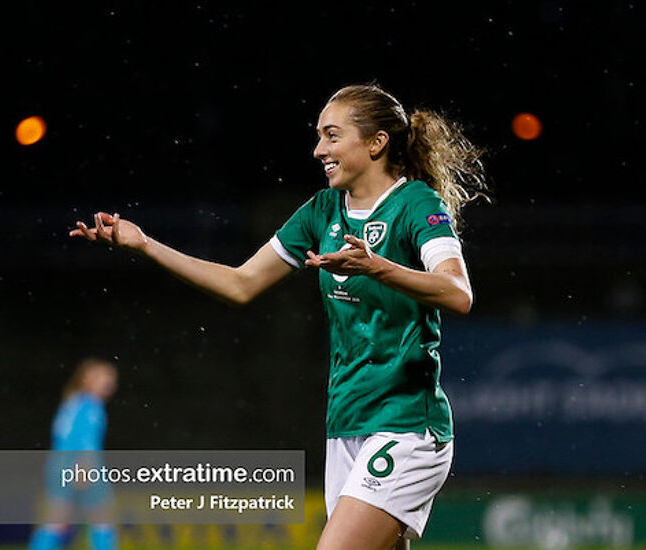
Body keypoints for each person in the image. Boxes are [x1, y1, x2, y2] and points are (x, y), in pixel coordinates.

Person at [70, 84, 486, 550]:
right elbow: (240, 283)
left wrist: (379, 268)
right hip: (347, 425)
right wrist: (145, 244)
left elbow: (458, 292)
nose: (319, 150)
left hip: (406, 426)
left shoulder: (417, 206)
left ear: (376, 143)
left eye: (332, 136)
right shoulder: (321, 211)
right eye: (318, 137)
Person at [28, 358, 119, 550]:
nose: (109, 381)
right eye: (103, 376)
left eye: (111, 377)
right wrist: (83, 468)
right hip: (81, 463)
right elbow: (82, 440)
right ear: (87, 379)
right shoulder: (89, 405)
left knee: (55, 522)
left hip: (61, 463)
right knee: (102, 518)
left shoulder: (73, 401)